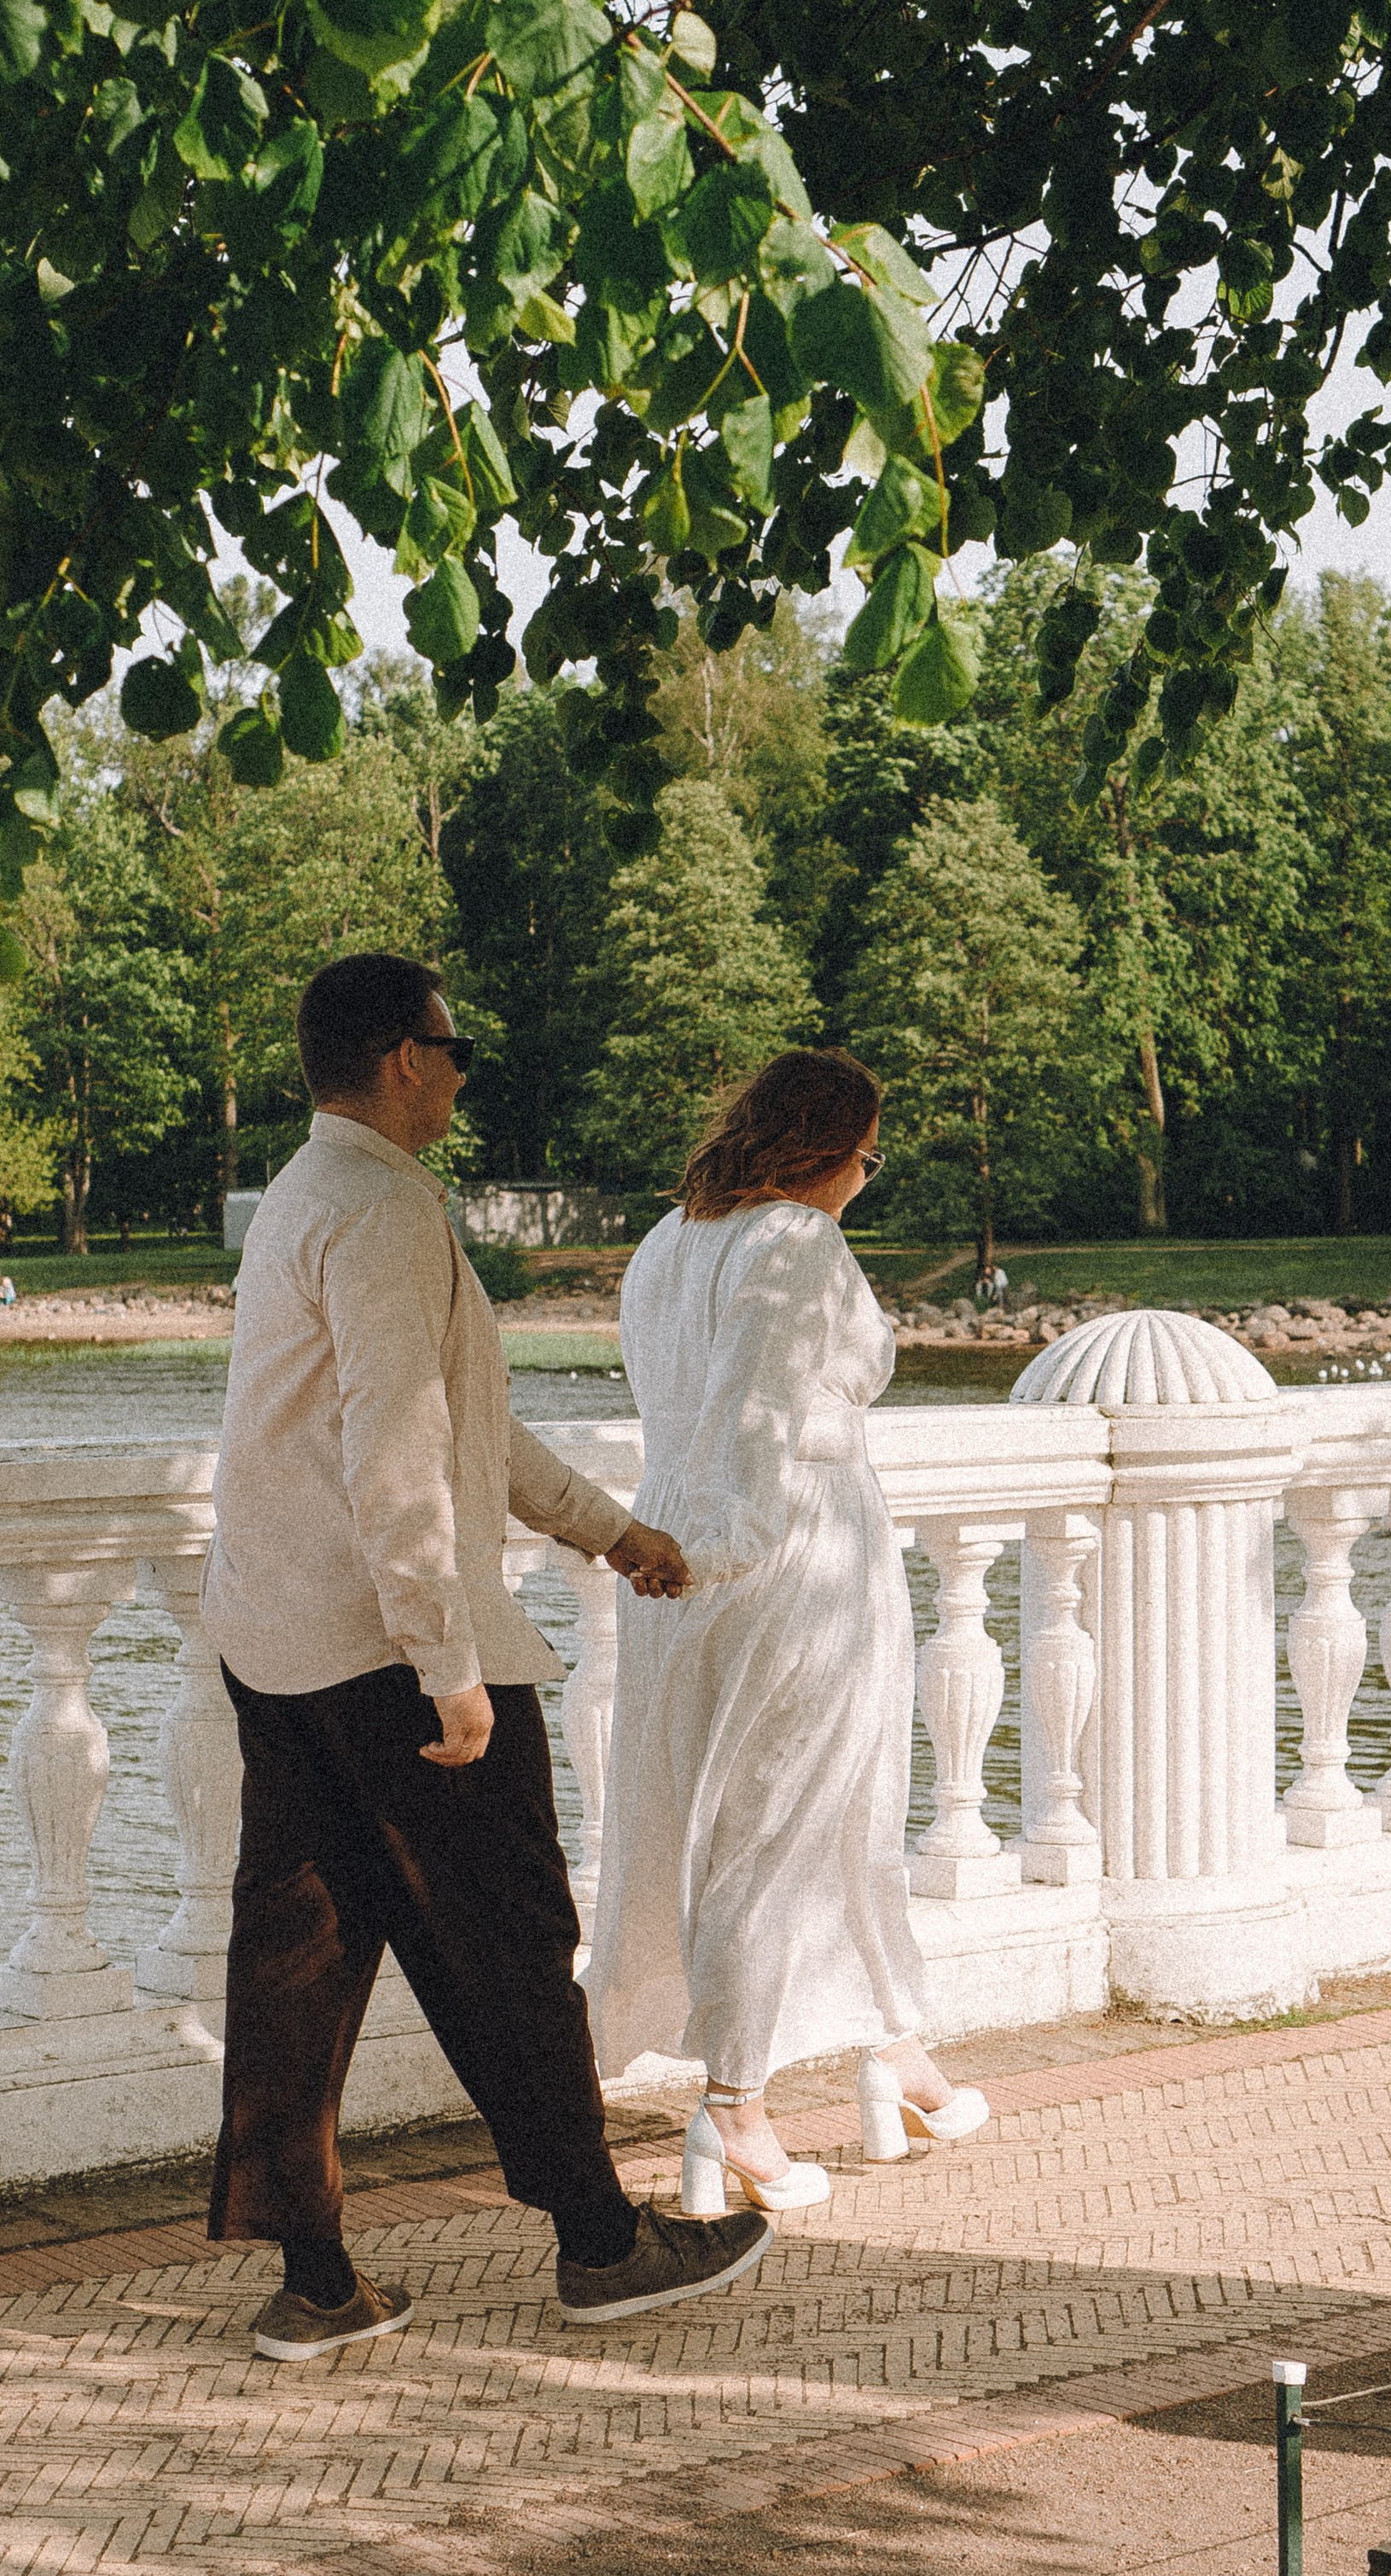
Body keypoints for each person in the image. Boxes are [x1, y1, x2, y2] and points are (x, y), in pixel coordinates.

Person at [201, 950, 774, 2359]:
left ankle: (316, 2279)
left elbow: (458, 1424)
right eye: (455, 1051)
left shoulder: (302, 1195)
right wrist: (445, 1660)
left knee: (299, 1961)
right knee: (512, 1945)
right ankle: (601, 2241)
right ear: (405, 1056)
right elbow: (394, 1453)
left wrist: (610, 1531)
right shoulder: (386, 1211)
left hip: (274, 1643)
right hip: (386, 1657)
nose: (462, 1075)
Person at [586, 1047, 990, 2213]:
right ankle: (735, 2117)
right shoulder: (795, 1246)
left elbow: (693, 1413)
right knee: (779, 1820)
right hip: (787, 1559)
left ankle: (892, 2049)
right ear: (828, 1150)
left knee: (783, 1812)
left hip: (680, 1540)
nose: (868, 1179)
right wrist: (726, 1548)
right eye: (867, 1156)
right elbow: (757, 1417)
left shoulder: (669, 1242)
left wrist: (685, 1547)